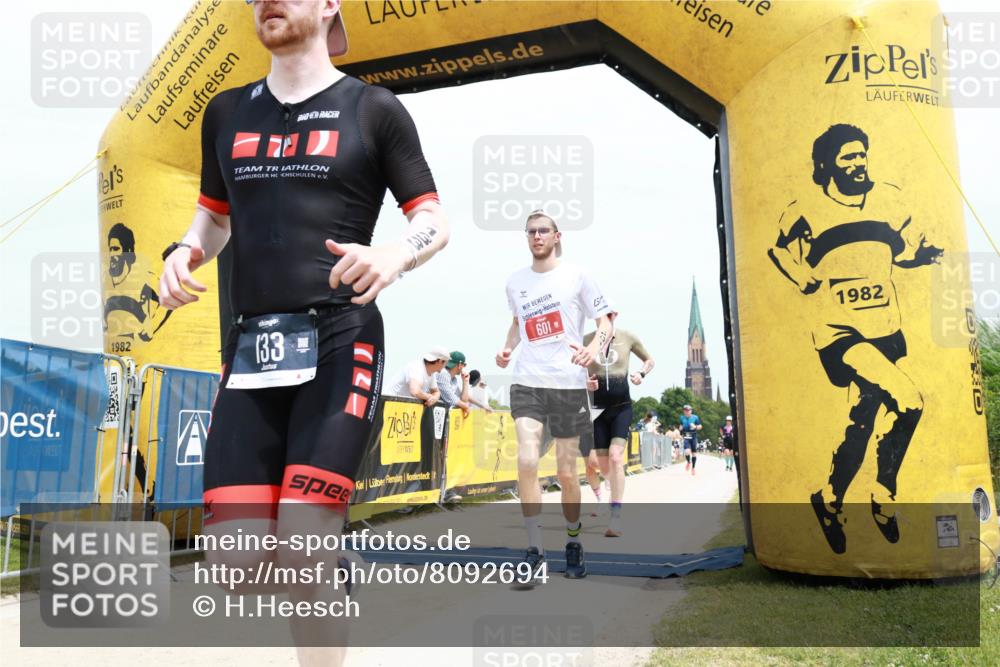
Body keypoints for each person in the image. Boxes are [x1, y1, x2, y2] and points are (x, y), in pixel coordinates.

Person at [157, 2, 449, 662]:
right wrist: (184, 250)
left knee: (304, 541)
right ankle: (326, 564)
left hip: (342, 338)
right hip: (253, 346)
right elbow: (213, 217)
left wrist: (394, 255)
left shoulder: (373, 109)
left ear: (328, 7)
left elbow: (433, 218)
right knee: (235, 564)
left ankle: (318, 560)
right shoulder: (227, 112)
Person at [768, 124, 940, 554]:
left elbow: (898, 253)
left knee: (859, 426)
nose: (858, 162)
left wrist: (920, 257)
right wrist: (800, 274)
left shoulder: (889, 199)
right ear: (826, 164)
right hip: (839, 332)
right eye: (847, 157)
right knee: (910, 399)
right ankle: (884, 496)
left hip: (886, 328)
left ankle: (827, 500)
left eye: (861, 154)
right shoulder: (806, 207)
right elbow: (779, 249)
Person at [496, 209, 614, 581]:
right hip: (528, 381)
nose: (537, 236)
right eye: (531, 231)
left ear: (557, 235)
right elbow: (518, 323)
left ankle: (574, 541)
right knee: (528, 461)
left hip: (567, 384)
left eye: (543, 230)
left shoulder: (577, 275)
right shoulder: (515, 281)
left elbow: (606, 321)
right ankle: (534, 549)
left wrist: (593, 352)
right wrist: (506, 348)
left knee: (566, 473)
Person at [583, 326, 654, 537]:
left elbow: (649, 360)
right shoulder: (587, 339)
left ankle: (615, 516)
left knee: (616, 458)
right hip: (597, 411)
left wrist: (641, 374)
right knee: (603, 466)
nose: (607, 319)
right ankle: (611, 488)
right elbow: (572, 370)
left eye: (611, 314)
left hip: (622, 407)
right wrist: (584, 382)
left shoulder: (628, 336)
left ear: (615, 315)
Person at [435, 350, 472, 416]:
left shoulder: (454, 380)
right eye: (464, 365)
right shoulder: (443, 373)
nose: (464, 367)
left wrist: (465, 382)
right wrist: (466, 406)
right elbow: (450, 398)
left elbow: (463, 400)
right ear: (460, 365)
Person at [679, 405, 702, 475]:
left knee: (694, 453)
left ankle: (693, 468)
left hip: (693, 436)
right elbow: (681, 425)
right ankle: (688, 462)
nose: (686, 412)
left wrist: (695, 426)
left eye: (688, 410)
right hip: (686, 436)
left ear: (691, 411)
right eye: (685, 410)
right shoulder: (682, 417)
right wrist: (680, 428)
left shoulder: (695, 417)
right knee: (686, 451)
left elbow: (700, 426)